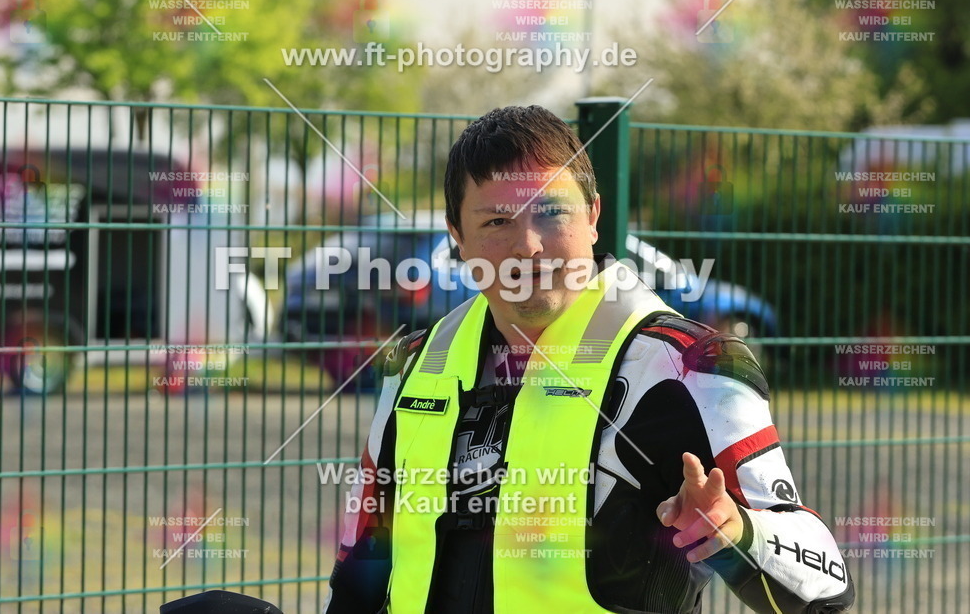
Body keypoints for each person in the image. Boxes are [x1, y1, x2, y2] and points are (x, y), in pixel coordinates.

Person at [322, 105, 855, 613]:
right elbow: (359, 571)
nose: (527, 246)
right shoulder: (415, 363)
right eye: (496, 222)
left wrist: (736, 533)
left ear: (594, 216)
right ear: (457, 236)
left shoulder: (692, 367)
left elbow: (825, 586)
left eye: (551, 213)